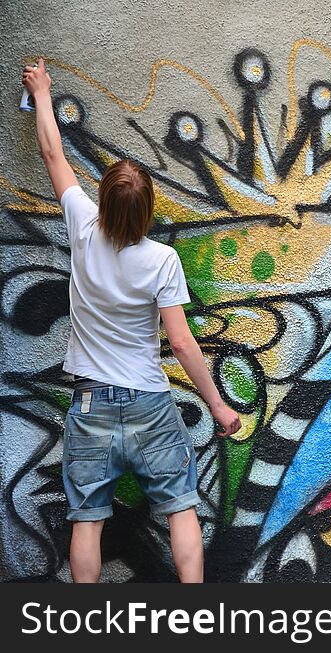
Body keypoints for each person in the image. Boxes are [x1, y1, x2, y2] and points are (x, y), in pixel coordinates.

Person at [22, 59, 242, 583]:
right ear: (146, 214)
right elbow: (184, 343)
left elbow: (54, 153)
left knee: (88, 520)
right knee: (180, 507)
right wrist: (217, 405)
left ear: (102, 202)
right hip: (148, 400)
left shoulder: (82, 228)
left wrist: (43, 92)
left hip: (92, 402)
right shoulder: (161, 260)